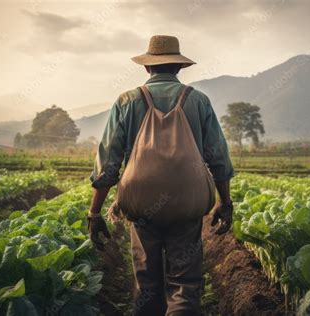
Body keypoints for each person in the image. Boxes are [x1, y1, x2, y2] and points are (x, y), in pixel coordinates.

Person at [88, 35, 234, 316]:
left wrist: (94, 212)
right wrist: (224, 202)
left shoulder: (126, 101)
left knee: (147, 281)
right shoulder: (199, 101)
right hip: (187, 202)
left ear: (147, 67)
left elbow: (108, 164)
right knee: (185, 283)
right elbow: (218, 157)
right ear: (179, 68)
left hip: (141, 201)